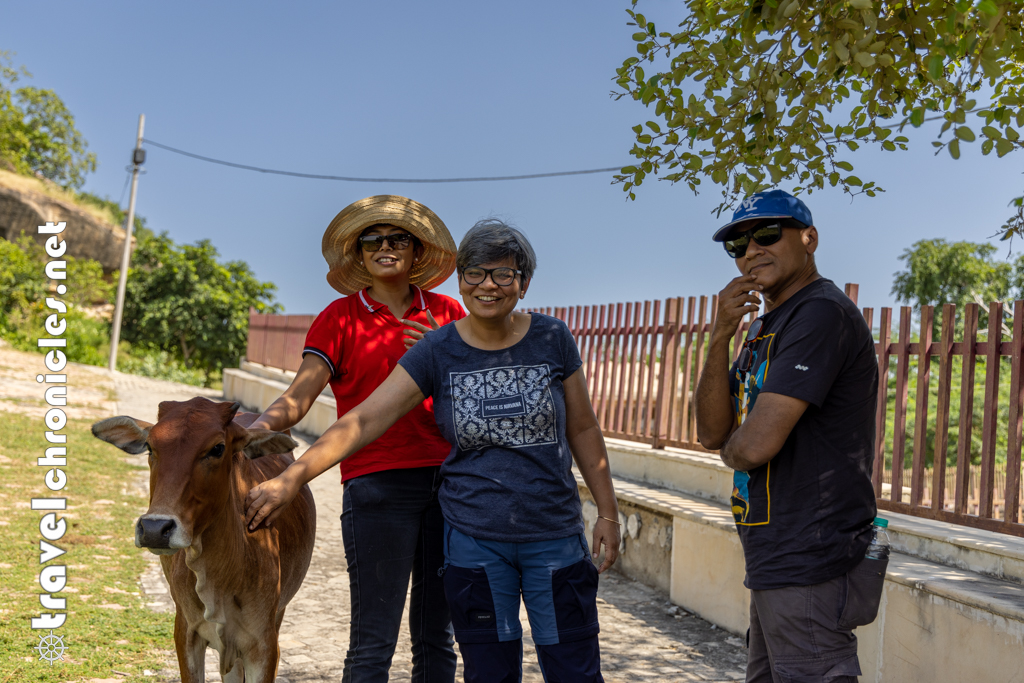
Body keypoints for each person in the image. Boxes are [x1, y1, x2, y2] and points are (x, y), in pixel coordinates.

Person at [246, 218, 621, 683]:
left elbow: (583, 427)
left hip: (520, 523)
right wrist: (287, 470)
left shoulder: (536, 335)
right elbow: (360, 419)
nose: (488, 285)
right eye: (476, 274)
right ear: (462, 280)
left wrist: (607, 511)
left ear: (523, 284)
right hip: (444, 522)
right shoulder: (424, 344)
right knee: (450, 662)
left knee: (555, 666)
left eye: (503, 274)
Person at [248, 195, 465, 682]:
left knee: (437, 642)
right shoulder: (340, 317)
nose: (385, 247)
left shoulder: (449, 313)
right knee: (372, 645)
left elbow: (474, 395)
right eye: (373, 240)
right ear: (360, 255)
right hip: (376, 487)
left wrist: (443, 354)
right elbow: (300, 396)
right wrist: (256, 431)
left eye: (397, 239)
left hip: (451, 487)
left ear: (416, 251)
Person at [693, 190, 881, 682]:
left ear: (809, 238)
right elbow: (713, 432)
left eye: (768, 234)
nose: (752, 250)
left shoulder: (820, 313)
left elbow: (751, 446)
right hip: (774, 550)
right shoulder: (763, 327)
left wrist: (737, 451)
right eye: (738, 244)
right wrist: (720, 335)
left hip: (811, 549)